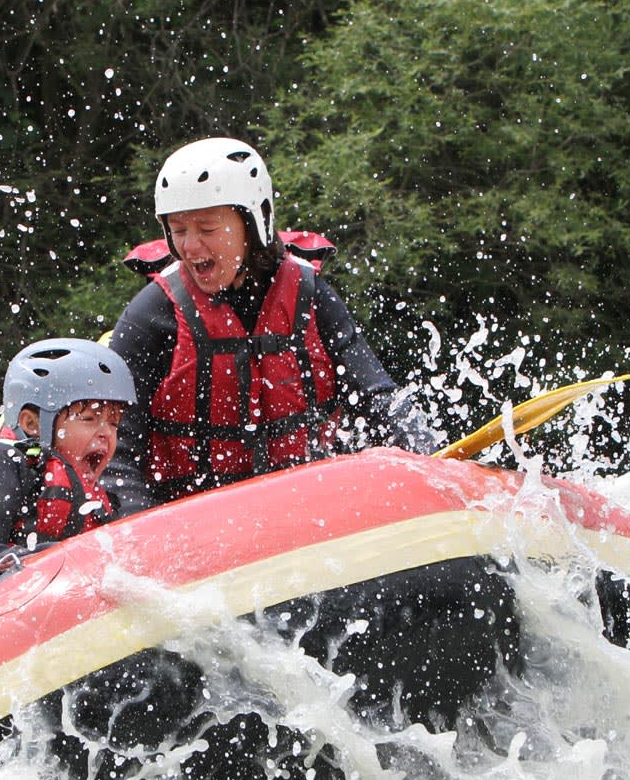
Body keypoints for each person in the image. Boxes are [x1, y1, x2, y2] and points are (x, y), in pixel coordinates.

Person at [104, 136, 437, 512]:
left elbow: (378, 399)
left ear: (253, 224)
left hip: (308, 509)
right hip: (194, 519)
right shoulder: (151, 315)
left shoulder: (310, 296)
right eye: (178, 230)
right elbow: (116, 456)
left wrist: (427, 457)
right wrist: (139, 520)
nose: (190, 246)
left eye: (207, 229)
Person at [0, 338, 134, 582]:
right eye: (89, 419)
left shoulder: (95, 498)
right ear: (32, 424)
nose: (106, 433)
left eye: (114, 423)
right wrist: (61, 560)